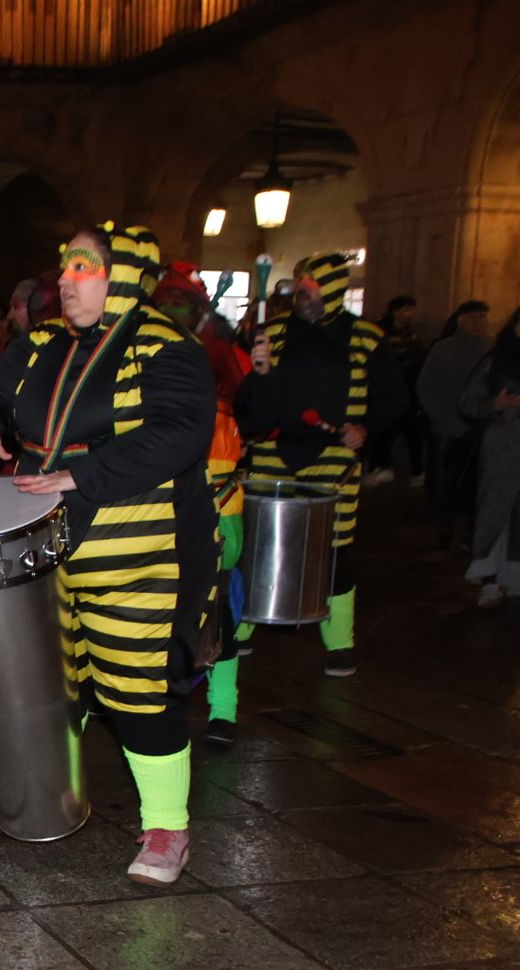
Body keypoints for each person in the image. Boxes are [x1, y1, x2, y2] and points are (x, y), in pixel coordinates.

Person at [0, 223, 217, 885]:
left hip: (141, 543)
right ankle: (48, 790)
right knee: (49, 677)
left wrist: (83, 473)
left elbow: (183, 432)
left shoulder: (165, 344)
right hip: (46, 538)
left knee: (137, 684)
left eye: (83, 268)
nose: (65, 280)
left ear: (122, 275)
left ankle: (166, 823)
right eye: (64, 267)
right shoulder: (41, 341)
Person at [236, 252, 403, 677]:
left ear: (332, 290)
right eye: (301, 286)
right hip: (273, 451)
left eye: (311, 287)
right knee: (254, 542)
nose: (302, 294)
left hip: (335, 458)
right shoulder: (272, 333)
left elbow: (394, 396)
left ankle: (340, 640)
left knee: (335, 548)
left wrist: (365, 427)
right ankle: (241, 629)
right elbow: (248, 392)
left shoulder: (365, 336)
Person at [154, 262, 250, 744]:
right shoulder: (144, 357)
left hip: (218, 499)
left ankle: (224, 709)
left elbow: (257, 414)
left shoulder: (224, 360)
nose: (173, 316)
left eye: (180, 308)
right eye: (165, 307)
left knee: (221, 617)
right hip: (164, 504)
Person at [418, 300, 490, 550]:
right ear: (461, 320)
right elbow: (426, 387)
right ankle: (446, 529)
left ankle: (472, 533)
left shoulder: (492, 350)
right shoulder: (443, 350)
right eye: (474, 317)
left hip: (482, 429)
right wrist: (442, 418)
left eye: (483, 317)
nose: (479, 322)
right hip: (448, 428)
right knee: (448, 482)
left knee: (478, 484)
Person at [460, 309, 520, 607]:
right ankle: (489, 579)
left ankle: (513, 579)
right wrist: (495, 404)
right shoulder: (495, 361)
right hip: (501, 448)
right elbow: (469, 402)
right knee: (496, 513)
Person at [367, 296, 427, 487]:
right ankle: (382, 467)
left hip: (408, 389)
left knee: (412, 431)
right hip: (385, 391)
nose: (410, 314)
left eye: (412, 309)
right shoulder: (380, 333)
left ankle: (417, 470)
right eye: (406, 309)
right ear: (395, 311)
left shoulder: (411, 335)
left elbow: (418, 359)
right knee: (382, 430)